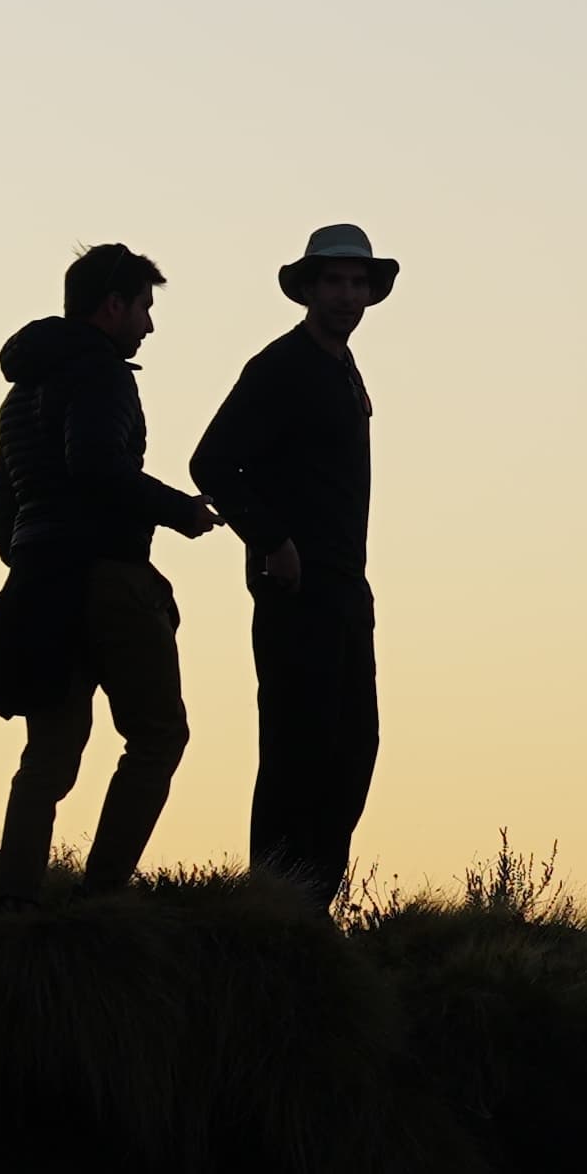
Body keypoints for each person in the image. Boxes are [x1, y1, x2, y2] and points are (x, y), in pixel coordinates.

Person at [0, 242, 219, 901]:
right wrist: (180, 512)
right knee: (158, 734)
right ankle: (100, 900)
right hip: (110, 578)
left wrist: (35, 560)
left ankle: (14, 910)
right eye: (144, 306)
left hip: (39, 583)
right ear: (114, 305)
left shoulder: (20, 393)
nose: (149, 324)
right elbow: (98, 468)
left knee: (47, 757)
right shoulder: (104, 374)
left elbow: (2, 515)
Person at [193, 223, 396, 909]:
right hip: (298, 589)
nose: (347, 294)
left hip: (345, 586)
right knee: (297, 749)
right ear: (308, 288)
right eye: (334, 281)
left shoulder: (340, 369)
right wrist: (272, 540)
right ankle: (273, 907)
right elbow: (213, 461)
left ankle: (308, 903)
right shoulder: (281, 366)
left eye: (357, 282)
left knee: (353, 746)